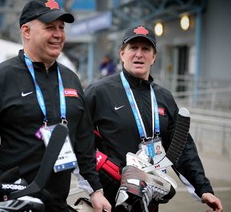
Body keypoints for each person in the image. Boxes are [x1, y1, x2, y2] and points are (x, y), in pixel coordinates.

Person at [0, 0, 111, 212]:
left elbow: (83, 143)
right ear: (26, 31)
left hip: (56, 204)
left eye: (61, 28)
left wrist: (95, 190)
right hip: (10, 203)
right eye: (49, 27)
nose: (58, 34)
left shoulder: (71, 80)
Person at [84, 25, 223, 211]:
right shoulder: (99, 92)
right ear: (122, 53)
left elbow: (182, 147)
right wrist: (94, 189)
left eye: (146, 49)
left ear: (154, 57)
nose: (139, 54)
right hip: (109, 200)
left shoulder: (164, 97)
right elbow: (80, 142)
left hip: (150, 199)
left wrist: (203, 189)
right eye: (133, 48)